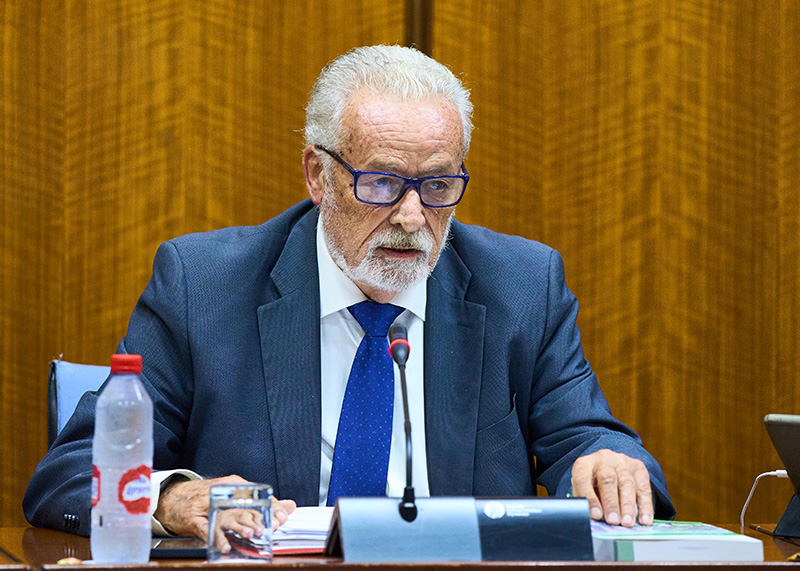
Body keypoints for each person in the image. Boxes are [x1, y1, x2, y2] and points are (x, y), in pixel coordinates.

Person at [24, 45, 675, 547]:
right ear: (318, 175)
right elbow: (73, 471)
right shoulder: (204, 286)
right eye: (383, 183)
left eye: (438, 186)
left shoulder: (522, 286)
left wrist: (608, 466)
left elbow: (589, 438)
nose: (413, 217)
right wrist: (171, 499)